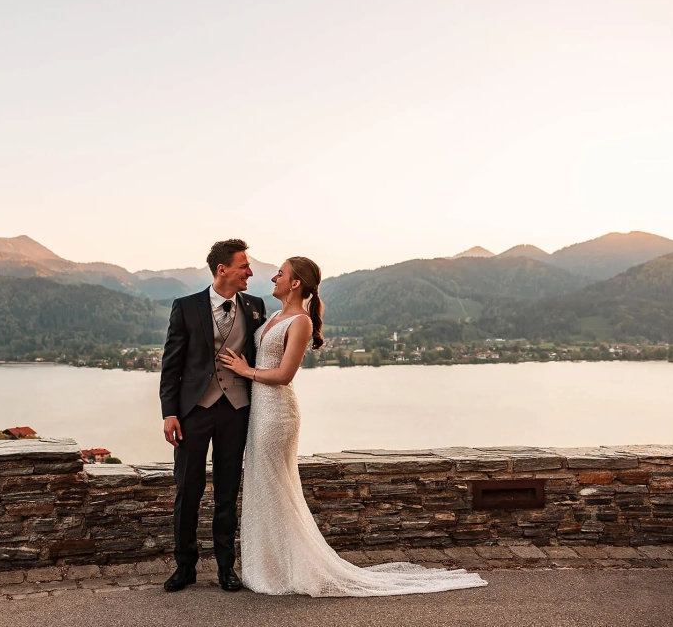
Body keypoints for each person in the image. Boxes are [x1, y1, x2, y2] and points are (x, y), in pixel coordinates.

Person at [219, 256, 487, 596]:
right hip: (259, 412)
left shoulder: (299, 321)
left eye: (281, 273)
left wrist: (246, 372)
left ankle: (289, 570)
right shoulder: (274, 316)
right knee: (263, 486)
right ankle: (270, 567)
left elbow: (285, 375)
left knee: (277, 489)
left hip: (277, 415)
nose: (274, 277)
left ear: (295, 283)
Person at [158, 239, 267, 592]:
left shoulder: (255, 306)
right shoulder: (187, 307)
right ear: (223, 270)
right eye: (244, 265)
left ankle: (226, 569)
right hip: (194, 412)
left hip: (236, 411)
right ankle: (185, 567)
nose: (250, 271)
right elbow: (171, 364)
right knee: (187, 490)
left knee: (227, 490)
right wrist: (170, 413)